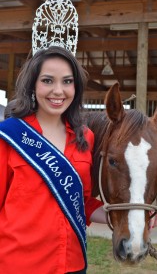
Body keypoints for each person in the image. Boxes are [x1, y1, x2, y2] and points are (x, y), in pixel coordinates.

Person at [0, 46, 107, 274]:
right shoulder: (9, 136)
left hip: (72, 264)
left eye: (67, 81)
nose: (58, 91)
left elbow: (81, 203)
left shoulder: (85, 138)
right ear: (33, 85)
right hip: (19, 265)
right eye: (47, 81)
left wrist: (129, 214)